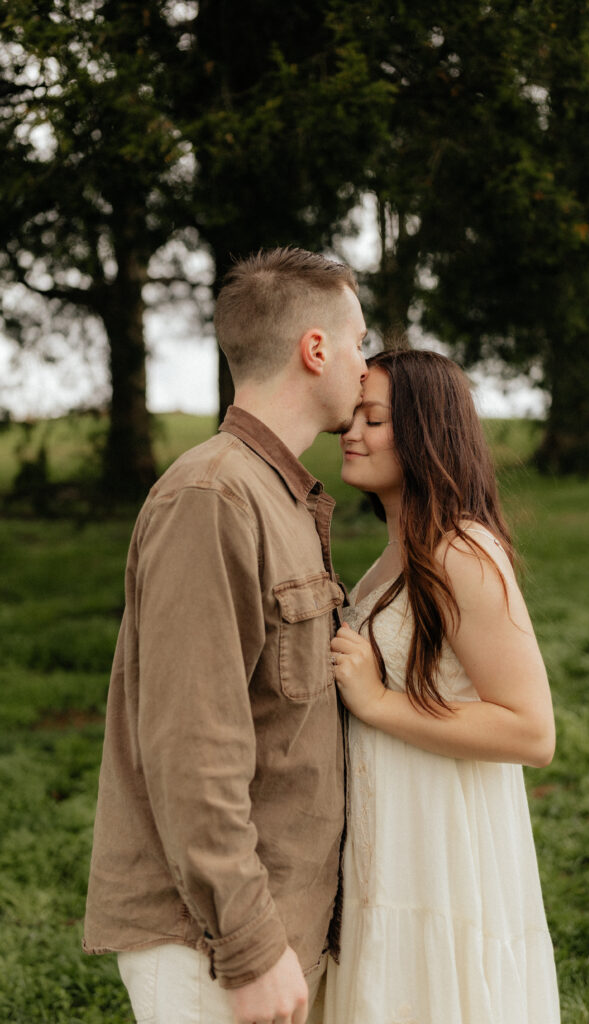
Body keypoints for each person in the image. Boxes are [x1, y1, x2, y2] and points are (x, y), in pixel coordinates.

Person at [83, 247, 368, 1024]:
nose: (365, 366)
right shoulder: (213, 497)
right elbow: (192, 741)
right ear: (315, 350)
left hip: (272, 922)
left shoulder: (275, 493)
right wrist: (247, 943)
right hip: (209, 940)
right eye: (359, 344)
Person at [324, 349, 561, 1024]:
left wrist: (376, 701)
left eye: (372, 418)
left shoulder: (461, 551)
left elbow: (530, 730)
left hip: (438, 843)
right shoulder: (395, 551)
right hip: (389, 836)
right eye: (350, 416)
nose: (350, 432)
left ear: (425, 431)